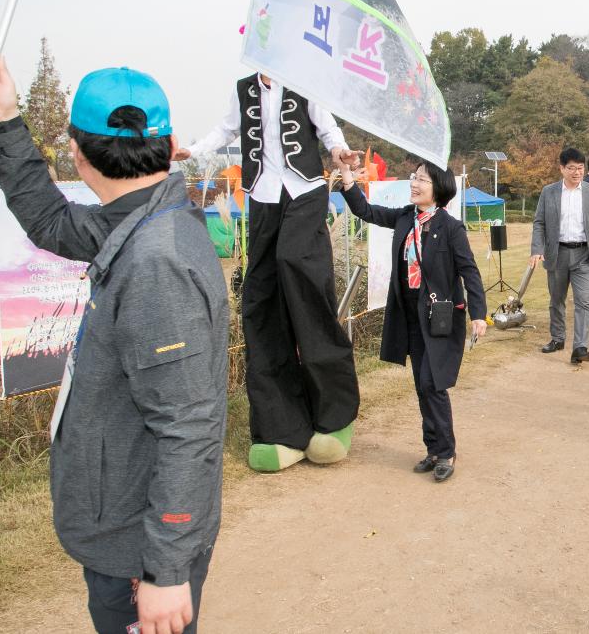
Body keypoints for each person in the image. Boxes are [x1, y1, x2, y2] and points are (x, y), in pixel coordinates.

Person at [0, 60, 228, 634]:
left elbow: (189, 425)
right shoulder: (141, 219)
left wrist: (165, 571)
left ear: (77, 154)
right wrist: (5, 123)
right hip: (130, 526)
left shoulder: (157, 260)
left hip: (142, 545)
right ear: (170, 146)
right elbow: (49, 220)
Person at [177, 72, 360, 473]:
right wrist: (191, 151)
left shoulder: (304, 82)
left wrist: (341, 151)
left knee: (300, 278)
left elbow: (328, 129)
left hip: (305, 192)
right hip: (263, 197)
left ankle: (332, 417)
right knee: (261, 300)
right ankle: (281, 428)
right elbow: (225, 129)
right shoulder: (243, 88)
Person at [337, 158, 487, 483]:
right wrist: (348, 180)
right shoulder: (406, 217)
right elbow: (367, 211)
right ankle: (433, 449)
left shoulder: (451, 228)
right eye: (414, 177)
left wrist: (479, 314)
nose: (414, 184)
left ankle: (446, 452)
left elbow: (469, 273)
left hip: (440, 317)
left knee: (433, 384)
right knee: (422, 384)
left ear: (439, 189)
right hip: (410, 314)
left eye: (422, 179)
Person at [532, 148, 589, 364]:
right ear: (562, 169)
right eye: (572, 168)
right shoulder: (549, 192)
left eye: (581, 168)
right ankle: (557, 338)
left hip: (585, 254)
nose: (577, 172)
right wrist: (537, 249)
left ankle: (580, 347)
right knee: (557, 300)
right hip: (558, 253)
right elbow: (539, 222)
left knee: (583, 301)